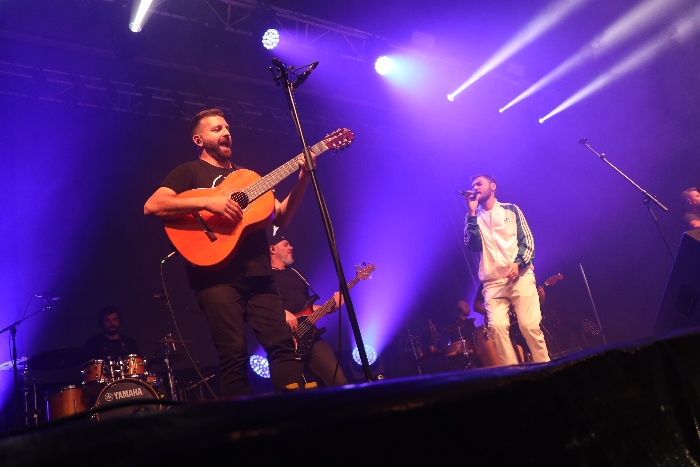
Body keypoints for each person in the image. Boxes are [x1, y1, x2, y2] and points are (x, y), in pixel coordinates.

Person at [144, 108, 313, 398]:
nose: (226, 133)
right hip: (215, 278)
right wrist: (209, 202)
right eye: (216, 129)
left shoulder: (247, 177)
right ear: (199, 140)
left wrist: (302, 179)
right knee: (233, 354)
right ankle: (239, 430)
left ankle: (297, 414)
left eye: (227, 128)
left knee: (283, 344)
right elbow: (153, 205)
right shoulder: (189, 172)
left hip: (259, 274)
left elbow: (281, 217)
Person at [462, 173, 550, 366]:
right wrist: (471, 212)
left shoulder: (511, 210)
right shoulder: (474, 217)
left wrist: (518, 264)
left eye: (479, 184)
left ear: (492, 187)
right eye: (473, 185)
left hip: (520, 275)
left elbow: (527, 242)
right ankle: (514, 376)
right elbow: (472, 245)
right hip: (493, 283)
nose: (475, 188)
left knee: (529, 326)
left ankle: (546, 368)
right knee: (497, 328)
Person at [268, 228, 348, 387]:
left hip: (311, 337)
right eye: (285, 244)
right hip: (285, 342)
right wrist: (282, 312)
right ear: (272, 249)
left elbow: (308, 308)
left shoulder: (297, 274)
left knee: (339, 382)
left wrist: (331, 306)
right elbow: (260, 306)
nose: (291, 247)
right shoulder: (266, 277)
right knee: (292, 393)